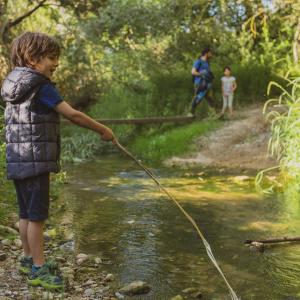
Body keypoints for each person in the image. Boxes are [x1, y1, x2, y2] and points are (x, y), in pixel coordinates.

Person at [1, 32, 115, 290]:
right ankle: (39, 269)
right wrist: (102, 130)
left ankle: (27, 260)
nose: (56, 63)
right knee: (37, 216)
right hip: (36, 160)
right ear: (32, 58)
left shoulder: (13, 85)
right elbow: (73, 115)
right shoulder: (41, 86)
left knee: (25, 214)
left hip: (17, 159)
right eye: (52, 57)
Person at [190, 47, 215, 115]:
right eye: (210, 53)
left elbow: (208, 73)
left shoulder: (207, 63)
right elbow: (193, 72)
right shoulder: (198, 61)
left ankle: (213, 114)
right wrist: (201, 74)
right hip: (199, 84)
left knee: (210, 99)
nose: (211, 54)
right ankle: (191, 113)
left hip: (207, 84)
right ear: (206, 53)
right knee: (198, 99)